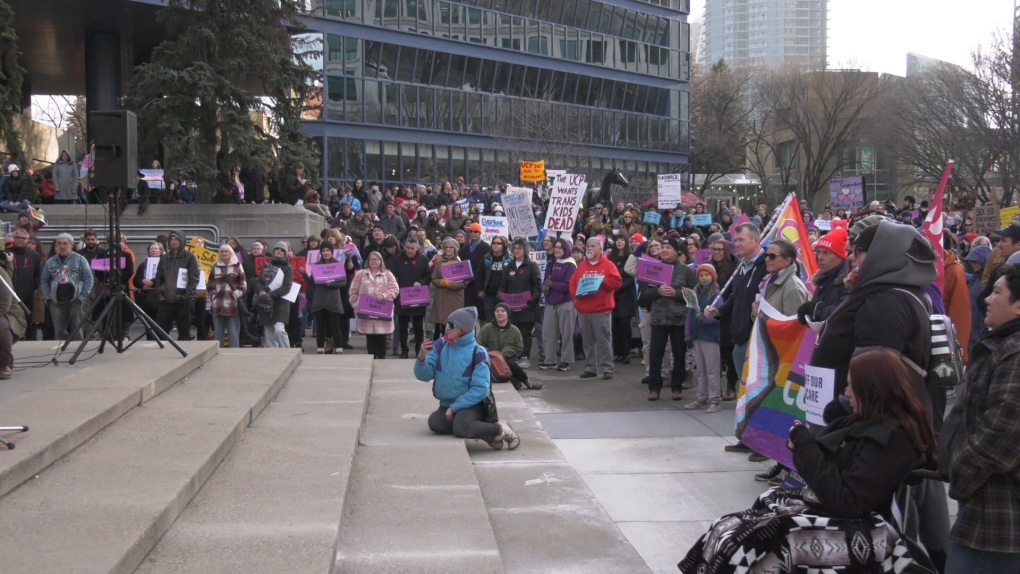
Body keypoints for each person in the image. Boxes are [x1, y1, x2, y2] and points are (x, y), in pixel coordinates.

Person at [679, 349, 936, 573]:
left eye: (851, 387)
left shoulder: (893, 440)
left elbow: (847, 500)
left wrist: (805, 446)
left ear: (872, 391)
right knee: (726, 527)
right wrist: (805, 443)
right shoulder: (864, 422)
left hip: (865, 526)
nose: (846, 394)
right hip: (836, 512)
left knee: (749, 544)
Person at [942, 264, 1020, 573]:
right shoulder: (1002, 345)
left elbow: (1002, 436)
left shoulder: (1014, 354)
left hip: (997, 517)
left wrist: (959, 467)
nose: (986, 299)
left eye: (997, 293)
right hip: (986, 505)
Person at [414, 307, 520, 450]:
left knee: (461, 427)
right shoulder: (440, 345)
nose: (446, 328)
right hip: (447, 403)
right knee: (435, 423)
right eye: (447, 323)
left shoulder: (478, 352)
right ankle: (486, 434)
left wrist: (455, 407)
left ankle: (499, 428)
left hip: (473, 404)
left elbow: (480, 389)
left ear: (463, 329)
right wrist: (421, 357)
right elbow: (423, 375)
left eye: (451, 325)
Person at [705, 224, 768, 448]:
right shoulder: (742, 267)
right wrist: (719, 310)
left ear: (756, 241)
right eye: (736, 240)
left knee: (757, 394)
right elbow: (734, 298)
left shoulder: (765, 267)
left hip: (757, 340)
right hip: (739, 338)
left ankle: (761, 441)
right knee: (745, 393)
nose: (737, 244)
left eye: (741, 240)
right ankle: (746, 436)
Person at [638, 237, 698, 401]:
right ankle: (654, 387)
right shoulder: (652, 269)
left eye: (668, 247)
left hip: (678, 320)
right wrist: (657, 292)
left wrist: (677, 294)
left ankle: (676, 387)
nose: (664, 250)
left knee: (679, 355)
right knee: (655, 354)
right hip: (658, 319)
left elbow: (695, 296)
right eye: (662, 247)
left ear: (676, 251)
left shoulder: (686, 271)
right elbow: (642, 297)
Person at [569, 237, 623, 380]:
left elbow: (617, 282)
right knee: (587, 342)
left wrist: (602, 280)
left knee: (603, 340)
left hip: (601, 310)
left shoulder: (609, 265)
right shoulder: (581, 266)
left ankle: (607, 368)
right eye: (588, 246)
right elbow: (573, 283)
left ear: (600, 249)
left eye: (593, 246)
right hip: (584, 310)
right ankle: (590, 367)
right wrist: (575, 300)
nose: (589, 248)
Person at [41, 233, 95, 341]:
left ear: (71, 245)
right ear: (56, 246)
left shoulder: (80, 260)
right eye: (59, 244)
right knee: (59, 331)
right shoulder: (50, 261)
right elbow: (44, 280)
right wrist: (48, 298)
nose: (62, 246)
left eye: (65, 243)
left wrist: (82, 297)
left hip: (75, 300)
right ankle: (59, 351)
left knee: (77, 330)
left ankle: (77, 352)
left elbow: (89, 280)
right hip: (56, 301)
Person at [497, 238, 541, 369]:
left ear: (525, 250)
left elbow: (537, 285)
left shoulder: (532, 266)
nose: (516, 251)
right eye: (514, 248)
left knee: (525, 332)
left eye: (519, 248)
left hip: (527, 307)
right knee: (512, 332)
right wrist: (500, 297)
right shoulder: (508, 267)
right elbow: (502, 286)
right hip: (511, 307)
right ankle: (513, 356)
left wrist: (532, 299)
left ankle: (525, 356)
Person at [684, 264, 722, 413]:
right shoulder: (694, 294)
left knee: (712, 369)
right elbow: (689, 314)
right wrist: (688, 333)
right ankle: (701, 397)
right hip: (696, 335)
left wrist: (705, 318)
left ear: (712, 276)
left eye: (706, 275)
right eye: (701, 275)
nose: (704, 278)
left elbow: (717, 316)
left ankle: (715, 400)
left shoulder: (716, 294)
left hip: (710, 336)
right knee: (700, 369)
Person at [477, 303, 541, 390]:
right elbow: (479, 346)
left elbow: (519, 347)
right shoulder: (486, 328)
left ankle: (527, 381)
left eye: (503, 311)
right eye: (497, 311)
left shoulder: (514, 330)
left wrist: (506, 353)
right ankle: (512, 380)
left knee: (511, 363)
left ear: (508, 314)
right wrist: (493, 354)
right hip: (490, 359)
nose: (500, 313)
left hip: (507, 358)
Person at [349, 251, 399, 359]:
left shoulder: (388, 274)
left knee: (381, 338)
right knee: (370, 337)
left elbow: (395, 289)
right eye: (371, 259)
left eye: (376, 259)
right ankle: (371, 358)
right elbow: (353, 291)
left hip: (382, 311)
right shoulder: (361, 274)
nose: (374, 261)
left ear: (381, 261)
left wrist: (385, 295)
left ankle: (382, 359)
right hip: (366, 313)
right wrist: (355, 305)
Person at [154, 230, 200, 341]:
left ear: (182, 241)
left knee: (184, 333)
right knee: (161, 332)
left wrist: (187, 297)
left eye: (176, 239)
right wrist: (160, 295)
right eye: (172, 239)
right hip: (165, 300)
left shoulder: (190, 257)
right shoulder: (164, 258)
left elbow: (193, 279)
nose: (174, 242)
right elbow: (158, 277)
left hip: (183, 301)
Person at [539, 238, 577, 371]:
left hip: (566, 302)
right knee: (548, 332)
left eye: (560, 247)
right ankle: (550, 360)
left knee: (566, 333)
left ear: (566, 250)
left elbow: (568, 285)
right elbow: (545, 280)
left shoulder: (570, 264)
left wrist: (552, 285)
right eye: (556, 247)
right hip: (551, 301)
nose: (556, 249)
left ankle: (566, 360)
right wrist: (544, 287)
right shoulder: (551, 263)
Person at [797, 228, 848, 324]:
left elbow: (844, 314)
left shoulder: (848, 281)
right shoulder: (823, 278)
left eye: (826, 253)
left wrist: (815, 310)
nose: (820, 257)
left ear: (840, 256)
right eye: (818, 252)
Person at [391, 237, 431, 358]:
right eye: (407, 248)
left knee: (418, 327)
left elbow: (428, 276)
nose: (409, 250)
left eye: (412, 248)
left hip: (418, 298)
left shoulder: (423, 260)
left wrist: (421, 282)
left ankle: (419, 350)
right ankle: (404, 350)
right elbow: (392, 277)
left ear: (417, 248)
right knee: (402, 326)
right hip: (402, 298)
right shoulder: (397, 259)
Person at [754, 239, 809, 317]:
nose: (767, 259)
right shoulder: (767, 281)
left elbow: (793, 325)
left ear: (787, 260)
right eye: (766, 255)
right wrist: (755, 315)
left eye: (772, 256)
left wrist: (763, 317)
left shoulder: (793, 287)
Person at [253, 242, 294, 348]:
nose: (279, 251)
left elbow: (287, 286)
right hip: (265, 303)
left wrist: (271, 295)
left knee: (279, 329)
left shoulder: (288, 268)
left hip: (281, 303)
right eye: (277, 249)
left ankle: (287, 352)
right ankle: (273, 355)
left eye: (281, 250)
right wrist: (262, 292)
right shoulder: (266, 265)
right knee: (269, 333)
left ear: (285, 253)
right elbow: (258, 281)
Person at [207, 244, 247, 347]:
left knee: (233, 333)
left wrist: (235, 295)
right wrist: (213, 296)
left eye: (226, 251)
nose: (224, 253)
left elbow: (243, 285)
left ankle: (234, 355)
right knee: (218, 333)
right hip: (217, 304)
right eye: (222, 251)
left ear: (231, 253)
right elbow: (210, 285)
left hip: (232, 304)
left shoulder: (237, 265)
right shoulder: (215, 267)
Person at [429, 237, 466, 338]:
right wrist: (441, 282)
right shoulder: (439, 263)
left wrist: (449, 284)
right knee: (439, 324)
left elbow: (463, 282)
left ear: (455, 250)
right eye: (446, 247)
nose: (448, 249)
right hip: (441, 298)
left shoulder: (460, 264)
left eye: (451, 247)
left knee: (452, 324)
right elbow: (434, 278)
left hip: (455, 298)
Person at [607, 234, 636, 364]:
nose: (619, 242)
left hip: (625, 295)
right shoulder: (610, 258)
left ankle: (626, 352)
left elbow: (632, 277)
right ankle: (618, 352)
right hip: (613, 295)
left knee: (625, 324)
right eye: (617, 240)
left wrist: (620, 286)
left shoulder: (630, 257)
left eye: (622, 240)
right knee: (615, 324)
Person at [0, 252, 27, 378]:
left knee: (0, 326)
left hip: (8, 314)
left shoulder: (1, 274)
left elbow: (4, 303)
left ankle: (5, 364)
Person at [10, 229, 41, 341]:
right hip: (11, 296)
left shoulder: (34, 255)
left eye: (23, 238)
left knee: (30, 322)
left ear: (27, 240)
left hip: (29, 295)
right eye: (18, 237)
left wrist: (33, 287)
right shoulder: (7, 253)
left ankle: (32, 343)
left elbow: (38, 274)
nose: (20, 240)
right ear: (14, 239)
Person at [479, 236, 510, 323]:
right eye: (494, 243)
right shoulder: (486, 258)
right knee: (490, 319)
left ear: (503, 245)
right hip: (489, 294)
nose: (495, 245)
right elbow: (479, 275)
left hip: (504, 294)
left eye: (498, 243)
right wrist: (480, 290)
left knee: (503, 319)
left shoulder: (509, 258)